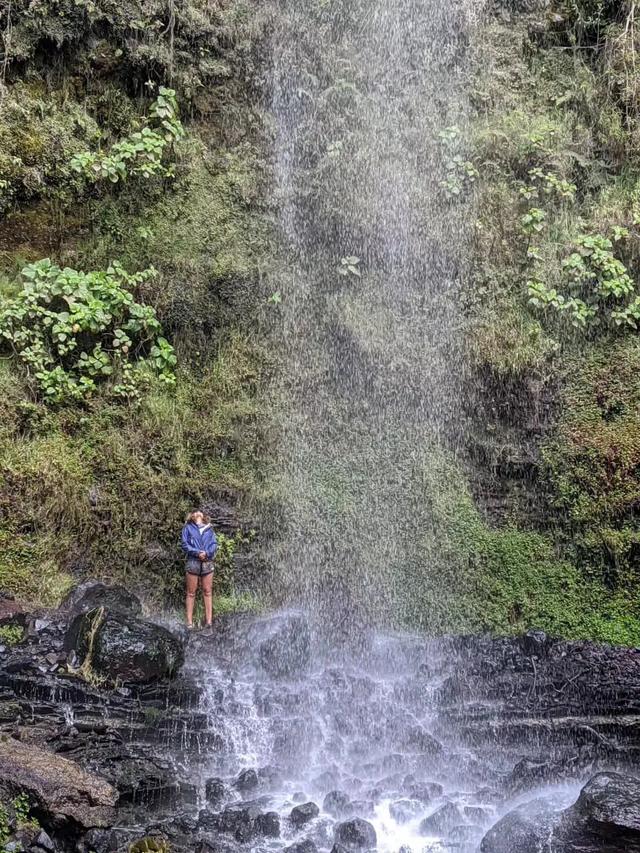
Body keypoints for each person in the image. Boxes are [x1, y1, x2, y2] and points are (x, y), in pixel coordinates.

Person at [181, 509, 217, 629]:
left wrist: (206, 553)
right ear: (191, 515)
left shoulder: (209, 529)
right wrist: (197, 553)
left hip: (207, 562)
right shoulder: (188, 528)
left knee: (207, 591)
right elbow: (185, 544)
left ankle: (209, 621)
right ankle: (189, 623)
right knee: (191, 593)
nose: (197, 513)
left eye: (199, 512)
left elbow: (214, 544)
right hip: (193, 561)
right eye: (195, 512)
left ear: (203, 516)